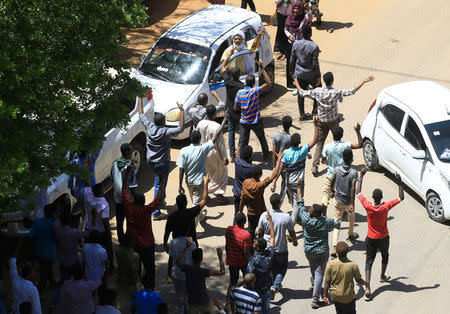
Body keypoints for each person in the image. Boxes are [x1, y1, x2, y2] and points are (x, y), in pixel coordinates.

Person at [294, 72, 374, 176]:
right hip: (333, 121)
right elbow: (351, 91)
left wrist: (296, 84)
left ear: (324, 81)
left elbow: (302, 93)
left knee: (320, 142)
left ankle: (315, 165)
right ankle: (340, 162)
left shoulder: (317, 91)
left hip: (321, 121)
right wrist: (363, 81)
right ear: (332, 81)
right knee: (338, 142)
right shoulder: (336, 92)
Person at [356, 167, 404, 301]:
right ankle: (382, 276)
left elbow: (358, 192)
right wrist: (399, 182)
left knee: (369, 262)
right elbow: (401, 197)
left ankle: (367, 288)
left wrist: (361, 175)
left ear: (373, 197)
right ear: (381, 197)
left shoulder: (368, 206)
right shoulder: (385, 206)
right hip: (383, 238)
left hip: (370, 238)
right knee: (385, 256)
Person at [295, 179, 340, 309]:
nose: (309, 209)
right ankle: (315, 294)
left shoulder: (307, 221)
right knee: (319, 273)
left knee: (314, 270)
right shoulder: (325, 221)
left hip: (309, 251)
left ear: (314, 213)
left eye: (311, 209)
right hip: (322, 252)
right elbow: (336, 224)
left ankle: (315, 291)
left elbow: (300, 204)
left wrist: (298, 187)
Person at [138, 97, 184, 220]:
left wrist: (140, 99)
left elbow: (141, 114)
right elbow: (180, 128)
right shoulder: (165, 131)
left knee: (161, 183)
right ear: (163, 122)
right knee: (160, 184)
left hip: (151, 161)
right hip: (162, 163)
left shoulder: (149, 127)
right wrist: (182, 111)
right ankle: (156, 211)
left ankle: (160, 201)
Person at [122, 167, 164, 291]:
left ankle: (136, 289)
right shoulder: (147, 210)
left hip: (133, 244)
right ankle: (150, 290)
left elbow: (124, 190)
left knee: (136, 269)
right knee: (150, 269)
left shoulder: (129, 207)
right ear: (144, 202)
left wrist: (126, 175)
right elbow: (158, 199)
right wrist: (162, 183)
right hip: (148, 245)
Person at [177, 115, 227, 219]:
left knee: (195, 201)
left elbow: (181, 169)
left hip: (188, 182)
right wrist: (225, 119)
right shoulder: (202, 149)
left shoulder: (183, 151)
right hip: (199, 183)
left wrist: (180, 185)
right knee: (195, 207)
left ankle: (200, 216)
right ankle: (191, 231)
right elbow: (216, 136)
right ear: (200, 140)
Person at [272, 116, 318, 209]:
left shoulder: (284, 151)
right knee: (293, 195)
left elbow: (275, 156)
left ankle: (290, 205)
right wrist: (316, 124)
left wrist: (274, 180)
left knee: (288, 190)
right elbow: (314, 140)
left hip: (286, 174)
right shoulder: (299, 148)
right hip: (298, 180)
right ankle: (292, 212)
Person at [257, 194, 297, 300]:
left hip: (266, 248)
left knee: (270, 268)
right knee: (282, 268)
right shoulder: (286, 217)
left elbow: (260, 232)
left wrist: (259, 246)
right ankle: (275, 286)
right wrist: (295, 241)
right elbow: (292, 232)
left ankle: (271, 286)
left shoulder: (264, 215)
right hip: (281, 248)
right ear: (280, 203)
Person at [239, 152, 283, 241]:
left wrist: (240, 210)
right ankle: (260, 245)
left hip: (250, 212)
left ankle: (251, 246)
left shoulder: (245, 183)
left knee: (251, 230)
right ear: (259, 175)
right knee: (262, 230)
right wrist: (279, 159)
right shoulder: (260, 185)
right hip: (261, 213)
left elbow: (242, 199)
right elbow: (274, 175)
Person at [234, 59, 272, 161]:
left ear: (245, 82)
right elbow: (268, 82)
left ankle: (238, 159)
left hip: (244, 122)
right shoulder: (255, 91)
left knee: (242, 142)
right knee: (262, 138)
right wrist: (261, 67)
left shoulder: (239, 93)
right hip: (256, 121)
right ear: (254, 83)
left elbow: (235, 107)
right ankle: (266, 156)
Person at [321, 124, 362, 209]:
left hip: (331, 175)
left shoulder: (327, 147)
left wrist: (326, 161)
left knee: (325, 195)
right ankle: (343, 210)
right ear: (342, 135)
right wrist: (357, 131)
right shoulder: (345, 145)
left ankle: (324, 213)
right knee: (342, 194)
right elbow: (360, 145)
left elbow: (323, 159)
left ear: (332, 135)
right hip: (342, 176)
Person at [164, 176, 209, 250]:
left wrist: (165, 245)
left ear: (177, 204)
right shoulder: (191, 212)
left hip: (177, 246)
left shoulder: (171, 217)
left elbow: (167, 232)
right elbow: (204, 200)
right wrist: (206, 183)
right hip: (191, 244)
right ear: (186, 203)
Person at [197, 105, 229, 204]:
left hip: (203, 152)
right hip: (214, 154)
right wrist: (224, 158)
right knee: (221, 174)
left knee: (208, 174)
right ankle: (218, 194)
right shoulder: (216, 126)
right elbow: (221, 144)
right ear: (215, 114)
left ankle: (205, 193)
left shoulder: (200, 123)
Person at [323, 242, 367, 314]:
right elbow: (358, 280)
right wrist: (366, 283)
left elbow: (327, 281)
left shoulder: (330, 264)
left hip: (336, 296)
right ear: (348, 251)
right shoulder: (353, 265)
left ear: (336, 252)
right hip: (348, 297)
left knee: (339, 311)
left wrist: (325, 295)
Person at [330, 149, 359, 257]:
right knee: (351, 219)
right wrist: (352, 204)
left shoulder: (337, 169)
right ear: (351, 159)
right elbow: (352, 189)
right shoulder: (354, 172)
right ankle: (350, 234)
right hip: (348, 202)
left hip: (338, 201)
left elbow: (331, 182)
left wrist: (332, 192)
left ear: (343, 158)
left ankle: (334, 246)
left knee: (337, 223)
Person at [179, 247, 226, 313]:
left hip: (192, 302)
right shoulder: (202, 271)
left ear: (192, 258)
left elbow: (177, 263)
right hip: (204, 301)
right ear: (201, 259)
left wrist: (186, 248)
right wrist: (220, 256)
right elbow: (222, 272)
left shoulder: (187, 268)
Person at [247, 211, 276, 314]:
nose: (253, 242)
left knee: (257, 310)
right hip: (267, 285)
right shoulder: (270, 254)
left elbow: (249, 275)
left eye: (254, 242)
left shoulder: (253, 260)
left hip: (257, 289)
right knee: (266, 308)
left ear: (258, 248)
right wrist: (271, 222)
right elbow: (272, 238)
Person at [290, 24, 320, 120]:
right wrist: (318, 77)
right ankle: (315, 109)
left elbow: (292, 60)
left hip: (299, 73)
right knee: (318, 89)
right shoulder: (314, 46)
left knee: (300, 92)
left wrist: (291, 72)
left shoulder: (295, 44)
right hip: (310, 73)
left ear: (301, 33)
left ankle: (302, 114)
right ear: (311, 34)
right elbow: (315, 64)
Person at [111, 143, 138, 241]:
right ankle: (129, 240)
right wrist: (136, 200)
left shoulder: (114, 163)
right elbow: (132, 185)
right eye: (131, 150)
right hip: (127, 198)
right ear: (127, 152)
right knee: (130, 221)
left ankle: (121, 239)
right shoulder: (129, 167)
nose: (132, 152)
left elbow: (112, 177)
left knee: (119, 221)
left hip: (117, 197)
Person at [220, 57, 245, 162]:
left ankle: (232, 155)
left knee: (231, 132)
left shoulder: (228, 82)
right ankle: (239, 152)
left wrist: (229, 55)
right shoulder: (241, 86)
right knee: (242, 133)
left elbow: (222, 67)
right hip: (239, 112)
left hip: (229, 111)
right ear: (239, 75)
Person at [84, 184, 113, 270]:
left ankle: (89, 266)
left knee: (89, 250)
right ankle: (110, 267)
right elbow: (105, 222)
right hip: (100, 232)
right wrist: (109, 236)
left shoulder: (87, 195)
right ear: (102, 192)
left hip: (88, 228)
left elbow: (87, 186)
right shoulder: (104, 204)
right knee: (107, 249)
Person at [29, 204, 56, 293]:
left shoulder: (37, 222)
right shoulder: (54, 225)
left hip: (39, 251)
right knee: (44, 273)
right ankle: (39, 292)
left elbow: (31, 236)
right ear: (53, 213)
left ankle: (52, 283)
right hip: (50, 253)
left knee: (46, 268)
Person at [225, 212, 252, 302]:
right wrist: (250, 261)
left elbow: (227, 245)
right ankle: (245, 301)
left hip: (232, 261)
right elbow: (245, 253)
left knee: (232, 282)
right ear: (245, 221)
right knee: (247, 281)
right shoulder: (246, 235)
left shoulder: (229, 229)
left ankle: (227, 303)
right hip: (242, 263)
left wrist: (228, 256)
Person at [284, 2, 312, 89]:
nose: (296, 10)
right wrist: (289, 35)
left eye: (298, 9)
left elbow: (310, 17)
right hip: (290, 44)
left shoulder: (304, 17)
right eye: (294, 8)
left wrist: (308, 9)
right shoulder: (289, 18)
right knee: (290, 63)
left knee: (300, 64)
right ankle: (291, 83)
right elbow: (285, 29)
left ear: (301, 10)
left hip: (301, 44)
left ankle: (301, 84)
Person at [10, 239, 41, 314]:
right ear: (30, 274)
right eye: (33, 270)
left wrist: (18, 246)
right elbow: (37, 311)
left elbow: (12, 262)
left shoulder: (15, 279)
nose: (35, 272)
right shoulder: (33, 290)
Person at [169, 235, 197, 313]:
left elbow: (177, 262)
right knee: (188, 297)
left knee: (180, 297)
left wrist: (186, 248)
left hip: (178, 276)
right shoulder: (193, 244)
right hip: (189, 276)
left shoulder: (173, 242)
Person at [116, 233, 140, 313]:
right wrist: (136, 283)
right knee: (133, 303)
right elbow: (134, 271)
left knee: (122, 305)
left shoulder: (118, 251)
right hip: (130, 282)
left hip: (120, 280)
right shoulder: (135, 256)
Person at [232, 145, 254, 217]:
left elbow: (237, 155)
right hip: (248, 194)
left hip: (237, 193)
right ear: (250, 156)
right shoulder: (252, 168)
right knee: (250, 213)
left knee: (237, 213)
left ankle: (235, 226)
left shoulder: (237, 162)